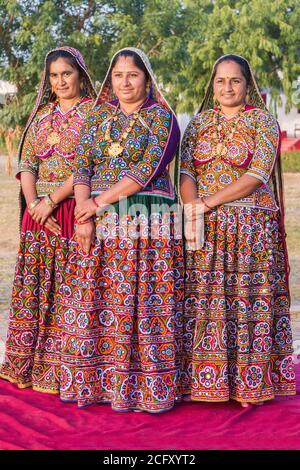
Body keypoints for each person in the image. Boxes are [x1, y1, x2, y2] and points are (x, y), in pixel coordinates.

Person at [58, 47, 184, 412]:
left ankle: (148, 387)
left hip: (146, 221)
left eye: (133, 74)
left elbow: (148, 168)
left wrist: (97, 204)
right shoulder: (98, 116)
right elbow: (82, 164)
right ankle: (97, 383)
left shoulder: (162, 118)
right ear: (109, 80)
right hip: (97, 221)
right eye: (118, 75)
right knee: (98, 299)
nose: (125, 81)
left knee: (143, 303)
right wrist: (85, 214)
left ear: (146, 79)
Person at [180, 54, 296, 407]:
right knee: (206, 301)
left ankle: (249, 383)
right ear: (212, 85)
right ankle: (203, 380)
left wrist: (207, 203)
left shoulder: (262, 122)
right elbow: (186, 173)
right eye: (220, 81)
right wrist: (191, 209)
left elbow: (257, 175)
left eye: (235, 81)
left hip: (250, 229)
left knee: (246, 301)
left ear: (248, 86)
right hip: (206, 227)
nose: (227, 87)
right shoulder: (197, 125)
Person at [0, 46, 96, 393]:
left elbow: (87, 165)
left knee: (72, 289)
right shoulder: (41, 115)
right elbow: (28, 165)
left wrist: (52, 201)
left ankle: (62, 369)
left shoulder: (95, 115)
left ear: (80, 75)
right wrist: (34, 205)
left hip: (73, 209)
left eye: (66, 73)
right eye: (54, 75)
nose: (60, 81)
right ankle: (27, 362)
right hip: (37, 216)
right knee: (34, 289)